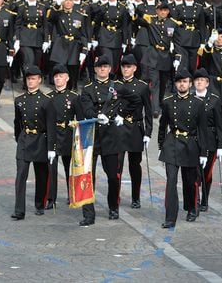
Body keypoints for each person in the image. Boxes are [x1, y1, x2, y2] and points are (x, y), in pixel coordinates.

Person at [79, 55, 139, 226]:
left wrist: (122, 114)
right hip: (93, 134)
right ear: (96, 69)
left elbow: (135, 100)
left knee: (113, 176)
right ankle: (89, 214)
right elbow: (86, 107)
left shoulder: (118, 86)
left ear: (110, 69)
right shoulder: (88, 88)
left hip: (111, 136)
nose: (103, 69)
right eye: (100, 67)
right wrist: (97, 115)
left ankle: (113, 206)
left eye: (106, 67)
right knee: (88, 177)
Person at [158, 69, 208, 228]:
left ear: (190, 84)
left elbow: (203, 129)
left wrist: (203, 152)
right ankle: (170, 217)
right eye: (179, 82)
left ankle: (191, 208)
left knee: (189, 181)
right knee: (171, 182)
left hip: (190, 144)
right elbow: (162, 126)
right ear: (175, 84)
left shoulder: (198, 103)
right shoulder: (168, 101)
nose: (182, 84)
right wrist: (161, 145)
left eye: (185, 81)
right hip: (172, 143)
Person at [12, 65, 51, 220]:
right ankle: (19, 210)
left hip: (41, 140)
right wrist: (19, 138)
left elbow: (50, 125)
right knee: (20, 175)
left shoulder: (46, 101)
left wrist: (51, 147)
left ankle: (39, 203)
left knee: (41, 175)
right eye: (28, 79)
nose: (30, 82)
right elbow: (17, 123)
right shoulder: (19, 100)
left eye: (33, 79)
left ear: (39, 80)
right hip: (25, 140)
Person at [116, 54, 153, 209]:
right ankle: (115, 197)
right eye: (124, 66)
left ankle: (135, 197)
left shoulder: (142, 87)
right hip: (118, 128)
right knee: (117, 165)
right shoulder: (115, 84)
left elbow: (149, 111)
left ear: (135, 68)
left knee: (134, 166)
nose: (126, 69)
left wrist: (148, 132)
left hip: (135, 128)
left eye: (129, 66)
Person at [45, 64, 83, 209]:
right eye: (56, 77)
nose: (58, 79)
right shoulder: (48, 97)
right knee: (51, 168)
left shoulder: (73, 97)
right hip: (53, 135)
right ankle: (51, 198)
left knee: (70, 167)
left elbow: (79, 118)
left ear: (67, 78)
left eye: (61, 76)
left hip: (67, 134)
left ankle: (71, 194)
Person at [193, 68, 222, 212]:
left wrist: (220, 145)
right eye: (197, 80)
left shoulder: (214, 100)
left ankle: (204, 199)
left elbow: (219, 125)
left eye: (202, 80)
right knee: (195, 173)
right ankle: (196, 199)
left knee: (206, 174)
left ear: (207, 83)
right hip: (194, 140)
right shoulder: (190, 97)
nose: (199, 82)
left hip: (210, 140)